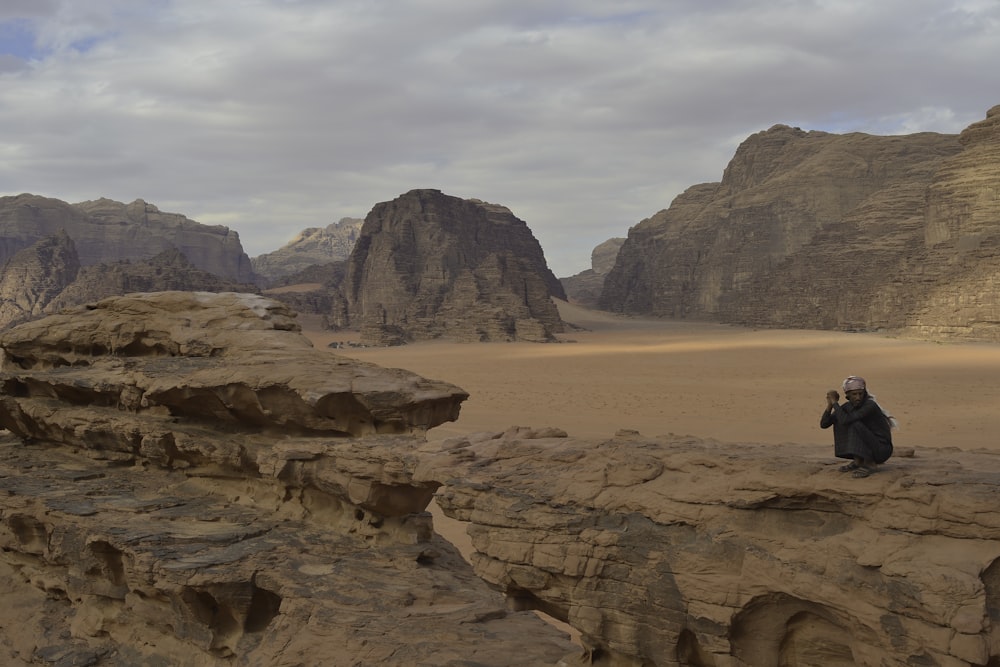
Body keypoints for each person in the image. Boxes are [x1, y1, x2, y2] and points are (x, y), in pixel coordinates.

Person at [822, 376, 893, 478]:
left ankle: (870, 464)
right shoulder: (847, 406)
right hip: (871, 445)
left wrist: (835, 403)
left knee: (852, 423)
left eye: (861, 394)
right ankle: (858, 462)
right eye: (854, 394)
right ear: (848, 395)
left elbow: (846, 420)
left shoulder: (870, 405)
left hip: (881, 449)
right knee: (841, 418)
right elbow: (824, 424)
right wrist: (830, 405)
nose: (858, 397)